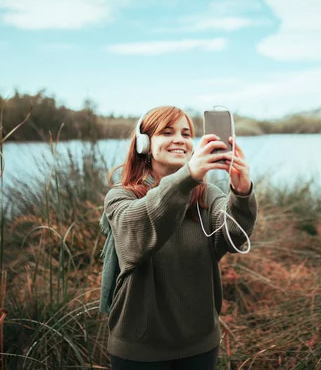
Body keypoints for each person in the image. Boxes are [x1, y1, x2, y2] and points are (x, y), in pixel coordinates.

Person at [103, 106, 258, 369]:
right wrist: (188, 177)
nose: (180, 139)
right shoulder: (121, 197)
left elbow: (234, 236)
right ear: (144, 144)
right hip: (138, 350)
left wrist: (241, 192)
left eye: (186, 133)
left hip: (200, 346)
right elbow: (138, 231)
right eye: (167, 132)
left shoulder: (206, 196)